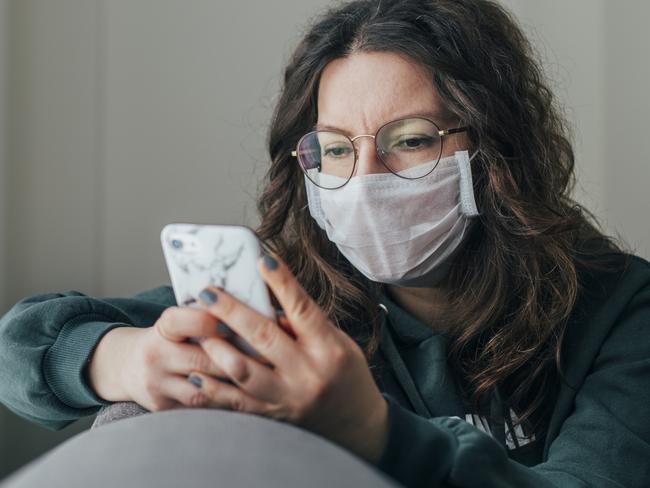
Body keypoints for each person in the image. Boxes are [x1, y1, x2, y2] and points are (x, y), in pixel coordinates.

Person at [1, 0, 649, 486]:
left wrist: (372, 431)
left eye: (412, 139)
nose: (364, 180)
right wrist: (123, 359)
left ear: (493, 149)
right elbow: (19, 346)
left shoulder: (622, 307)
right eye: (336, 149)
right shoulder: (289, 287)